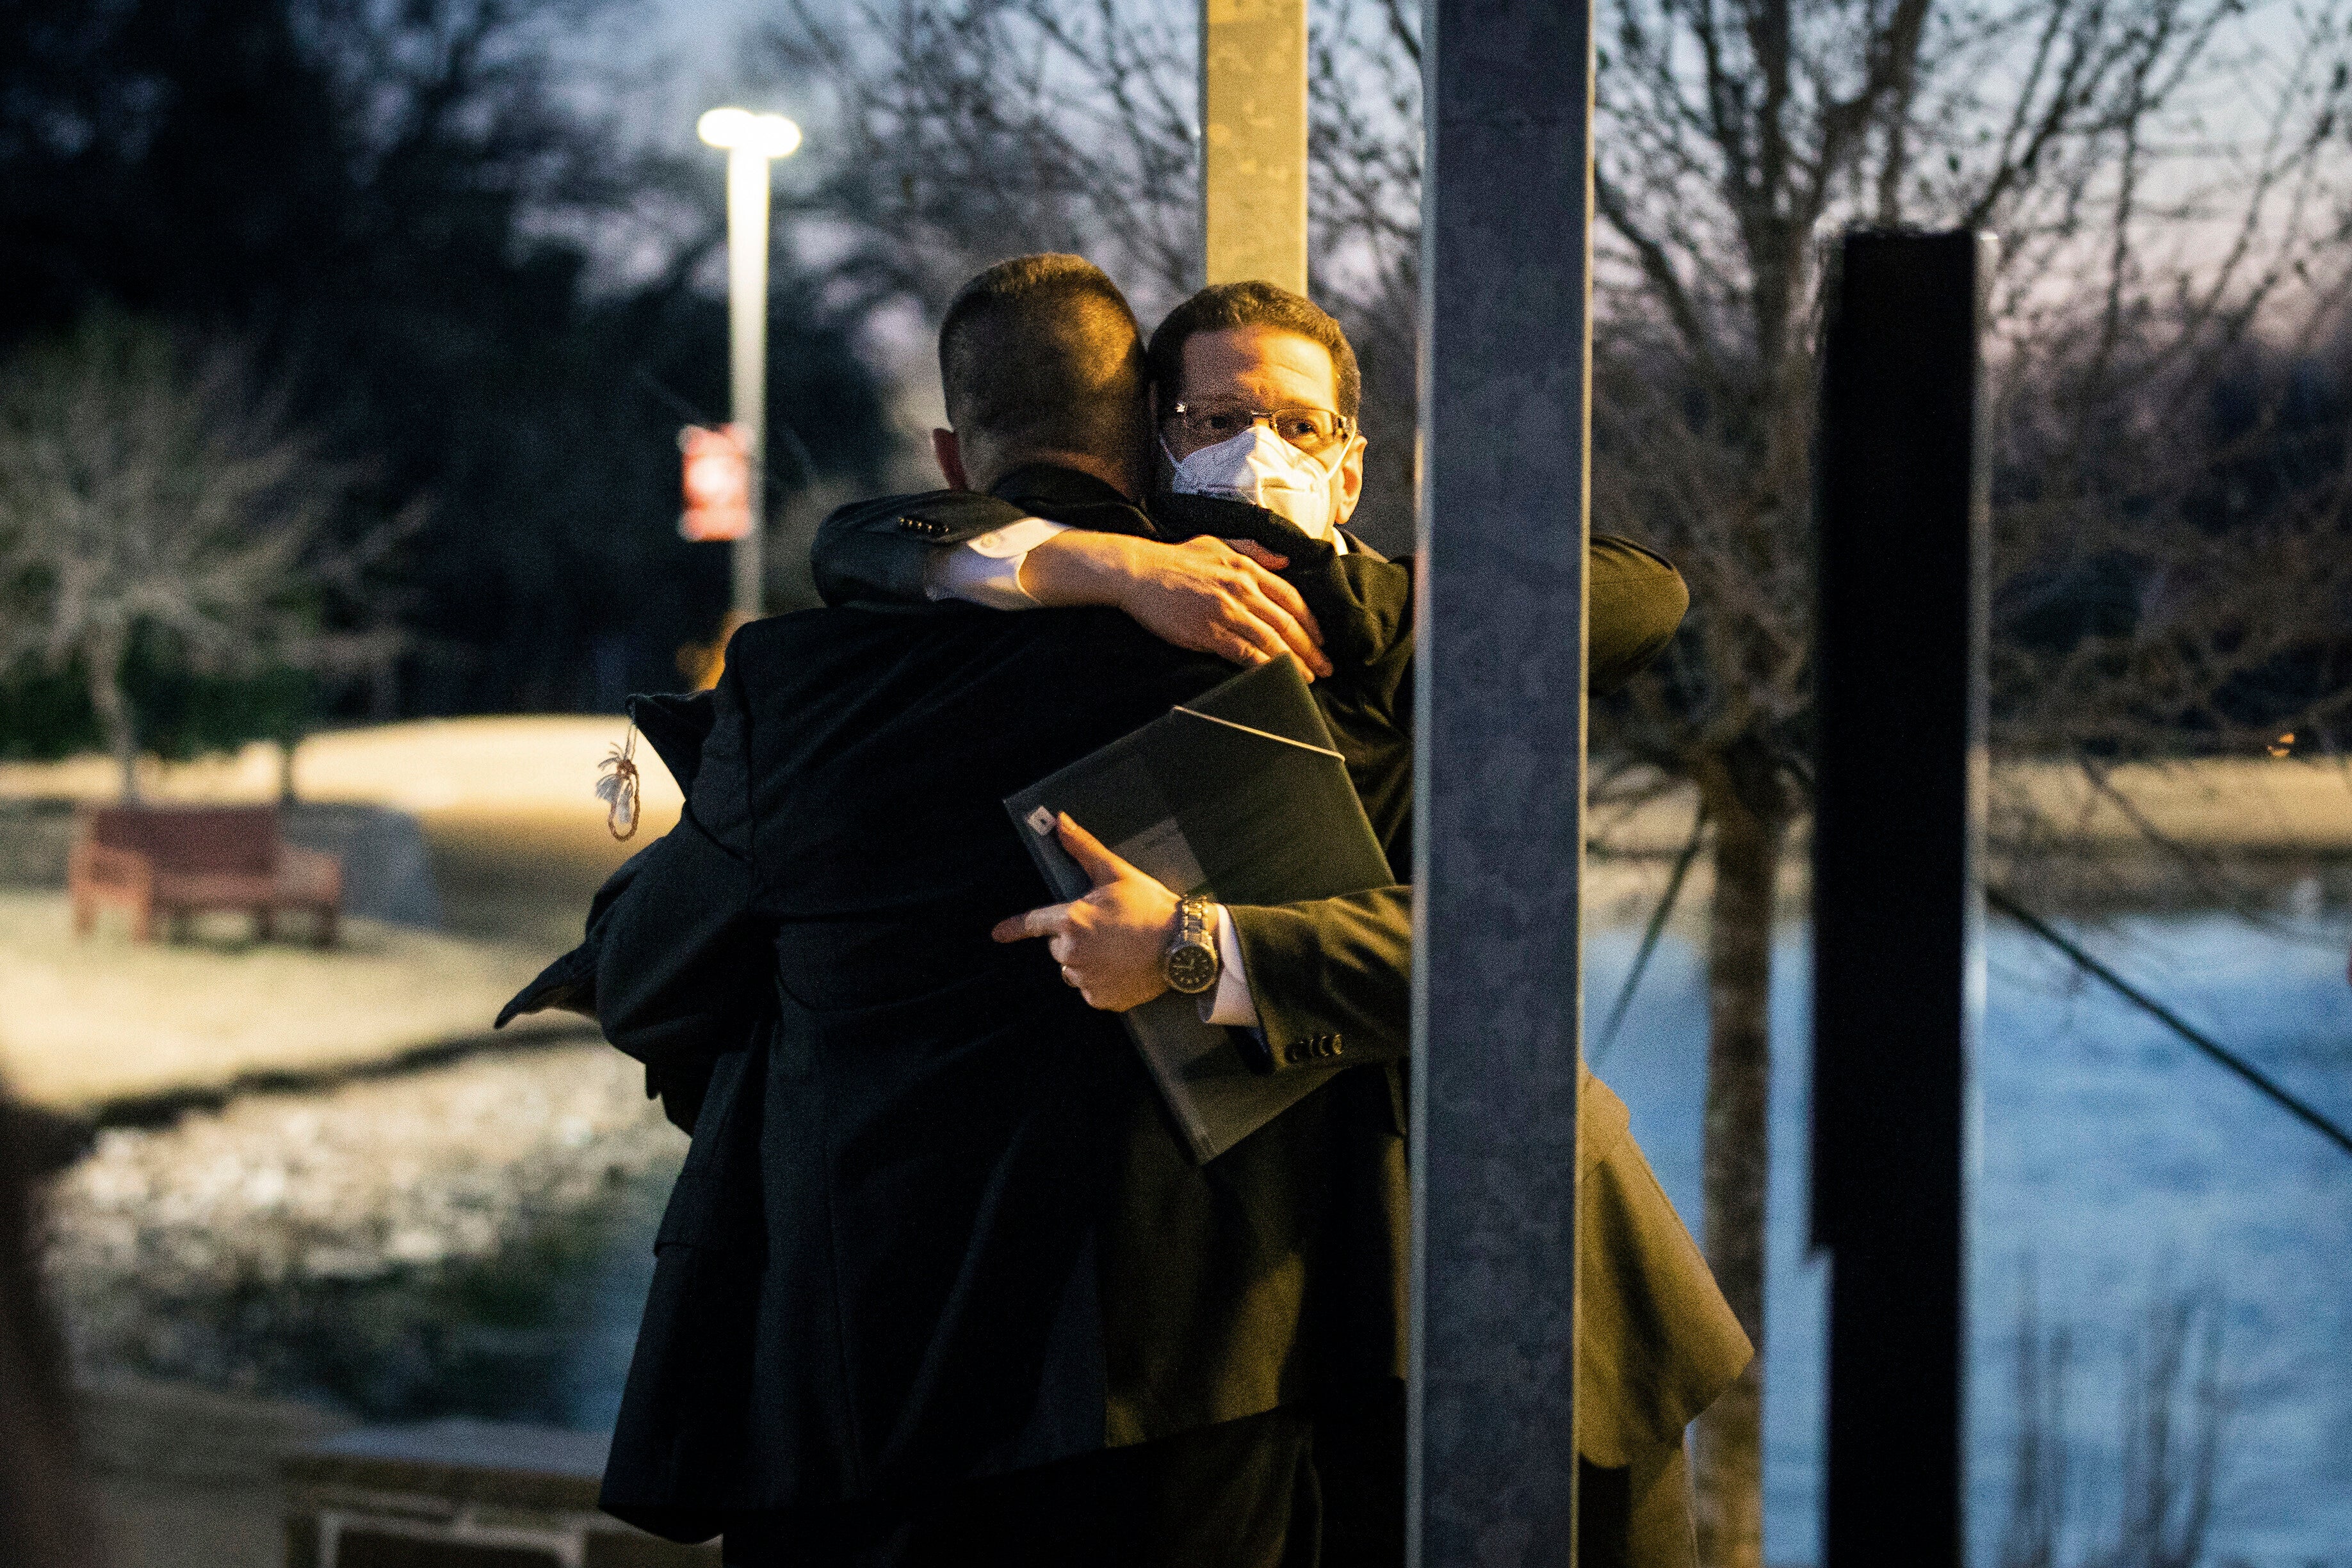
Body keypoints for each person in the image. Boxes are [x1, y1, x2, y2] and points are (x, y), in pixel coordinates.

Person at [806, 275, 1753, 1564]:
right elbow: (865, 535)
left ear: (1350, 465)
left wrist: (1385, 604)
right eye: (1213, 416)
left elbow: (1643, 599)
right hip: (1316, 1317)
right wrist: (1105, 560)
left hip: (1541, 1279)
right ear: (1157, 451)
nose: (1259, 447)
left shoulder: (1425, 639)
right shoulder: (1135, 618)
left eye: (1298, 425)